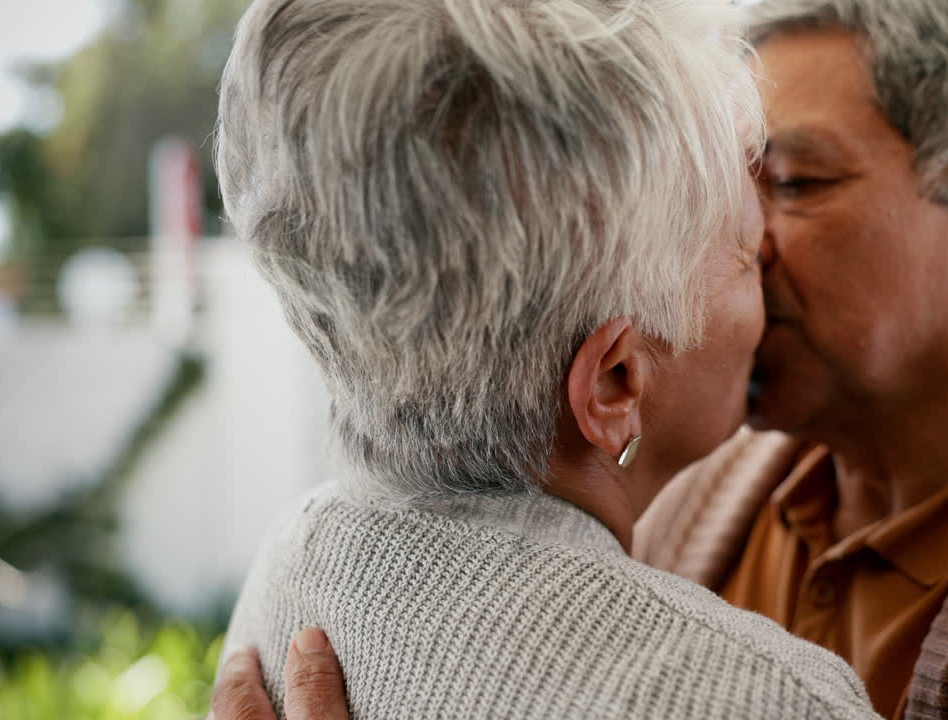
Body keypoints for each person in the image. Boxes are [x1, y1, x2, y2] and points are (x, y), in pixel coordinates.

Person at [214, 0, 948, 718]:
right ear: (614, 384)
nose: (736, 238)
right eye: (719, 180)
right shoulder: (682, 482)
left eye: (792, 182)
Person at [211, 0, 881, 717]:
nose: (775, 255)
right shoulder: (768, 699)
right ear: (617, 384)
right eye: (745, 252)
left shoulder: (291, 564)